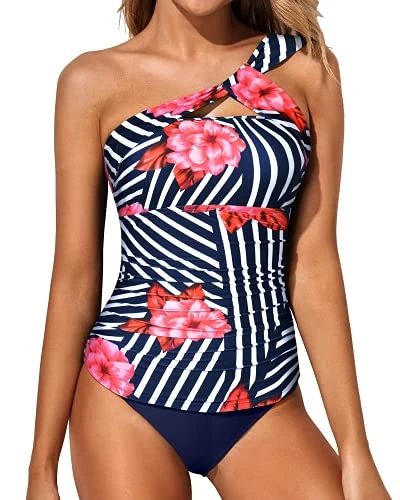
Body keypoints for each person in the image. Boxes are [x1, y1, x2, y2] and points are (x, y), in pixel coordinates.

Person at [27, 1, 391, 499]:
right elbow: (75, 277)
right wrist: (41, 467)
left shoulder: (306, 70)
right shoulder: (91, 80)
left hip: (265, 394)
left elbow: (314, 263)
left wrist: (356, 450)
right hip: (128, 393)